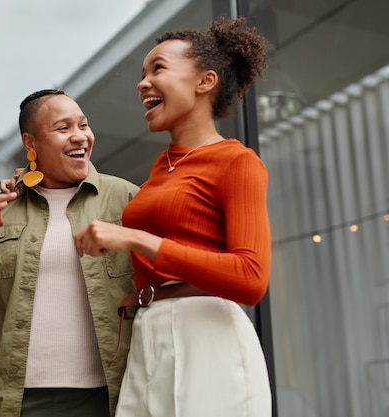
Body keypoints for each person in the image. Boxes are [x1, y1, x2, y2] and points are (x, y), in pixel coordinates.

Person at [74, 16, 273, 417]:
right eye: (142, 74)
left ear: (205, 81)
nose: (142, 83)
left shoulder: (237, 161)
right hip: (149, 334)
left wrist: (136, 241)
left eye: (158, 68)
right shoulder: (161, 167)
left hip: (206, 338)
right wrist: (28, 180)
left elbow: (251, 278)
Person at [0, 89, 139, 417]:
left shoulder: (126, 197)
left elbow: (166, 271)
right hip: (16, 402)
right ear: (31, 144)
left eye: (84, 125)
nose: (80, 136)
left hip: (110, 399)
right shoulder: (3, 208)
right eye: (63, 128)